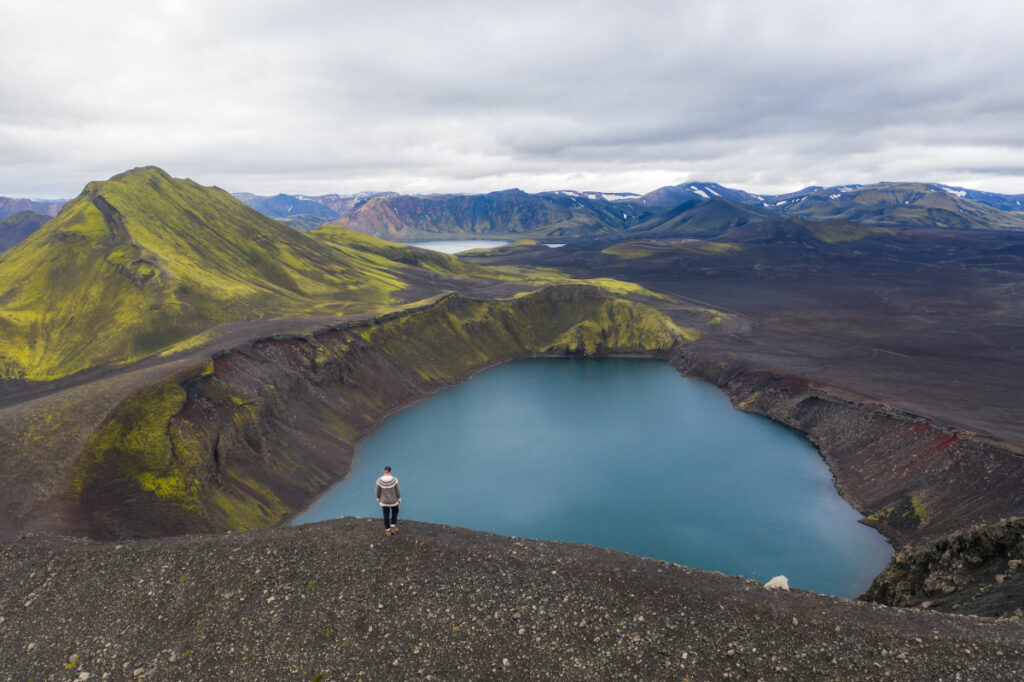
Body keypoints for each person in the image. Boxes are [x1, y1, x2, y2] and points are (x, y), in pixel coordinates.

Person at [376, 465, 401, 535]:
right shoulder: (394, 480)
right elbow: (397, 491)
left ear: (384, 471)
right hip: (393, 501)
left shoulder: (379, 480)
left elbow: (377, 491)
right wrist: (399, 499)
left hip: (384, 501)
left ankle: (387, 530)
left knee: (386, 515)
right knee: (395, 511)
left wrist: (378, 499)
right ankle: (393, 527)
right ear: (390, 471)